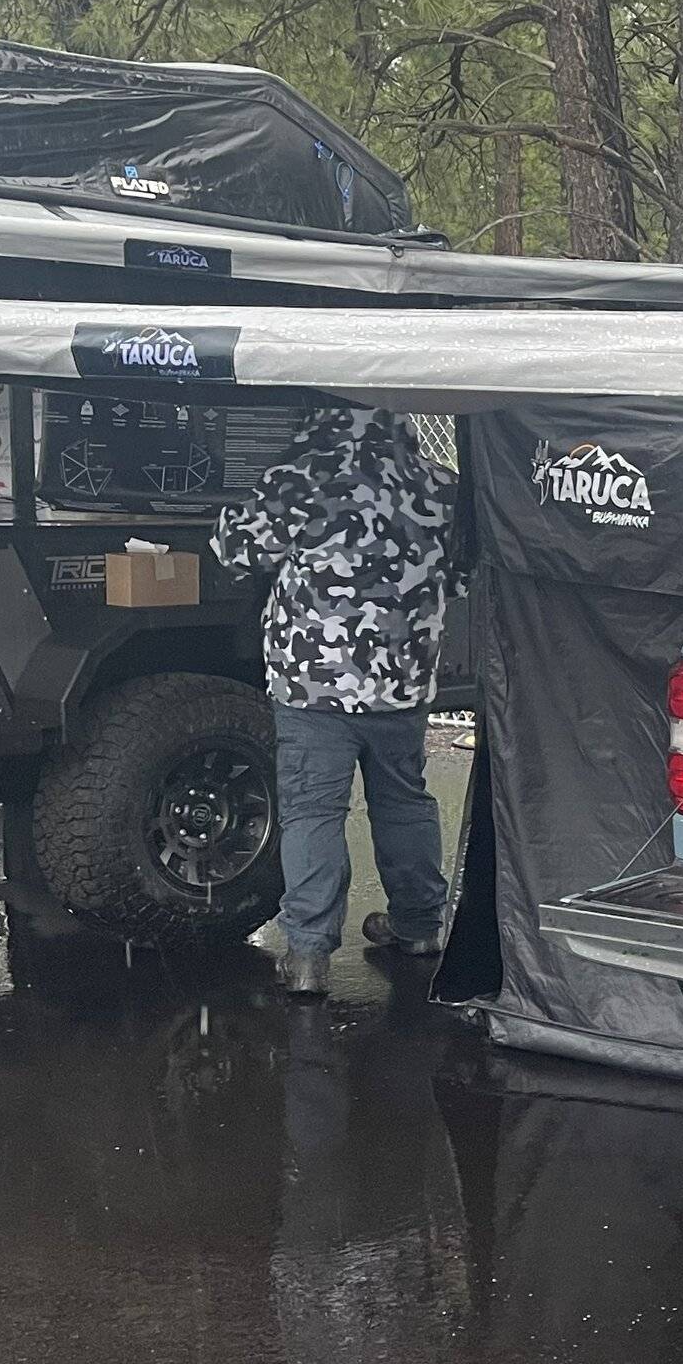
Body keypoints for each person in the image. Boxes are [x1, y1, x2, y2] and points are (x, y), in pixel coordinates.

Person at [214, 406, 458, 997]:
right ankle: (420, 926)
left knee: (313, 813)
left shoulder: (301, 476)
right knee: (403, 801)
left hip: (313, 685)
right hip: (402, 682)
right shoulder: (439, 486)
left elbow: (233, 549)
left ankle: (307, 956)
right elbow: (463, 575)